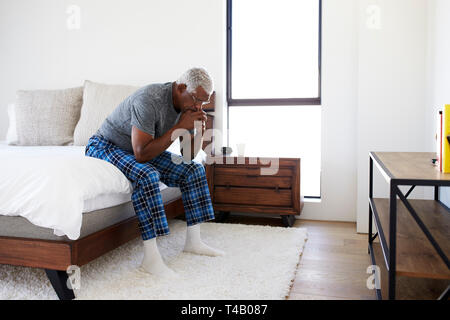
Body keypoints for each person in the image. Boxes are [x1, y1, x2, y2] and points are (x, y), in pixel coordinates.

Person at [85, 67, 224, 277]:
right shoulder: (149, 99)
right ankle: (151, 259)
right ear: (181, 87)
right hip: (107, 145)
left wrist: (198, 130)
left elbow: (188, 156)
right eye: (197, 99)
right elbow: (141, 155)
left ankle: (193, 242)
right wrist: (179, 127)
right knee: (147, 174)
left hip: (140, 147)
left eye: (204, 102)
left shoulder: (187, 107)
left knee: (193, 170)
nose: (199, 106)